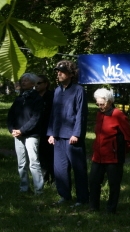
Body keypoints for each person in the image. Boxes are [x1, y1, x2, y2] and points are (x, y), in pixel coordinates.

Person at [47, 60, 89, 206]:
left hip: (72, 136)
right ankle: (64, 196)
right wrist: (51, 133)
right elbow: (54, 113)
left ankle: (82, 199)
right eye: (58, 71)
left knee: (78, 169)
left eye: (62, 71)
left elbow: (81, 114)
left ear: (71, 74)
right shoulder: (57, 90)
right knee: (60, 168)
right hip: (58, 136)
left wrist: (76, 134)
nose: (58, 73)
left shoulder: (79, 90)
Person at [89, 88, 130, 214]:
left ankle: (111, 209)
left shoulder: (118, 114)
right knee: (93, 181)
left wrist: (123, 150)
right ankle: (93, 206)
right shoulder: (99, 114)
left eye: (102, 104)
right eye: (97, 104)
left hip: (113, 156)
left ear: (109, 102)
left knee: (114, 184)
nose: (100, 106)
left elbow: (128, 136)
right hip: (98, 155)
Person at [7, 73, 45, 194]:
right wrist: (12, 129)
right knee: (21, 163)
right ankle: (24, 188)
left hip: (31, 135)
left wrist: (22, 130)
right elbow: (11, 115)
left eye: (26, 80)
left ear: (33, 83)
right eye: (22, 80)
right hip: (17, 134)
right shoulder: (19, 98)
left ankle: (39, 190)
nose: (23, 82)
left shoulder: (37, 98)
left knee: (34, 162)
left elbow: (36, 118)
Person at [35, 74, 55, 185]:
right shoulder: (34, 97)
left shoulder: (52, 96)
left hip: (50, 129)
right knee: (41, 155)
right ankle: (45, 178)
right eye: (35, 84)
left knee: (51, 155)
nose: (36, 86)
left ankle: (54, 178)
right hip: (38, 130)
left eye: (39, 83)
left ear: (45, 84)